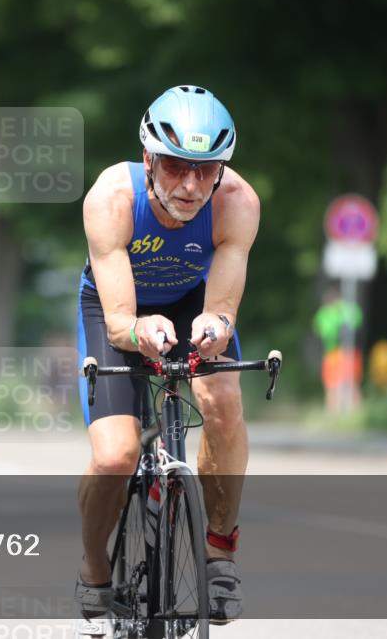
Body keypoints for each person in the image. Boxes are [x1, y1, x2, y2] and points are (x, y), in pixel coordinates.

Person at [76, 85, 259, 632]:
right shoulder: (111, 199)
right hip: (117, 310)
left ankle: (219, 553)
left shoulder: (238, 204)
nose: (190, 184)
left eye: (207, 170)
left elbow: (222, 308)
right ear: (148, 159)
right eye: (177, 166)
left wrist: (215, 325)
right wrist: (138, 329)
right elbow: (118, 322)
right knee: (116, 455)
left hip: (189, 304)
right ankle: (93, 566)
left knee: (222, 403)